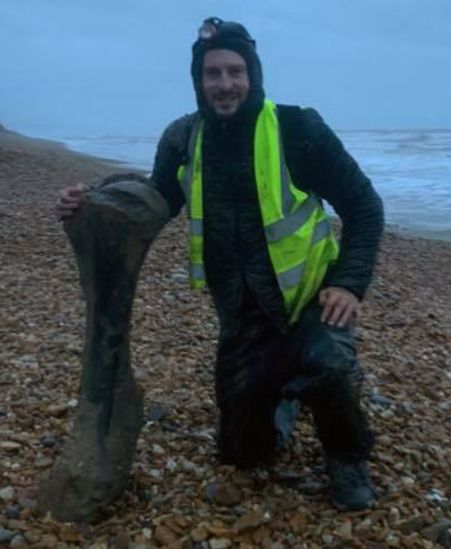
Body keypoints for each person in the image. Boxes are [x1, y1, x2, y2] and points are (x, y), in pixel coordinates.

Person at [56, 17, 384, 510]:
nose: (225, 84)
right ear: (199, 81)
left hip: (313, 300)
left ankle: (347, 457)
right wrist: (90, 201)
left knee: (329, 367)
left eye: (235, 71)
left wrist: (349, 285)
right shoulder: (183, 138)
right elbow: (156, 199)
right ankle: (285, 399)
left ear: (252, 74)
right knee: (242, 455)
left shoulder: (299, 128)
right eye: (213, 74)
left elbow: (363, 206)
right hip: (243, 316)